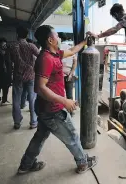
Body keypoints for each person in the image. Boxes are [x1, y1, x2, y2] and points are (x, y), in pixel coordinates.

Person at [17, 25, 97, 174]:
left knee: (39, 137)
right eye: (56, 36)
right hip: (52, 109)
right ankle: (83, 162)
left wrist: (85, 41)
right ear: (50, 40)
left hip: (44, 108)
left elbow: (73, 50)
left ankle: (26, 165)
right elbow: (41, 88)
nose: (59, 38)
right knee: (72, 135)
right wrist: (64, 101)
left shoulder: (54, 54)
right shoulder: (46, 59)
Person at [10, 27, 39, 129]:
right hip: (31, 75)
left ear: (17, 34)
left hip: (18, 75)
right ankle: (33, 121)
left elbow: (11, 61)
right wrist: (32, 66)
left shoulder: (13, 46)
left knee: (16, 99)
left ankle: (17, 122)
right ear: (27, 35)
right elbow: (40, 56)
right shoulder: (31, 46)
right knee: (32, 99)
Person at [59, 32, 77, 103]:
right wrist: (71, 73)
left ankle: (60, 111)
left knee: (59, 95)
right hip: (69, 74)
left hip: (58, 75)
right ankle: (71, 111)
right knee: (69, 95)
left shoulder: (56, 48)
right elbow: (75, 62)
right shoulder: (70, 48)